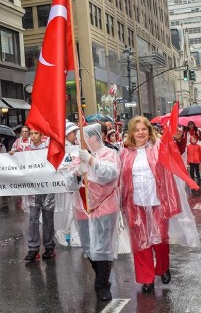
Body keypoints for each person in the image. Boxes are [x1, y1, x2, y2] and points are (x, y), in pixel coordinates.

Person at [119, 116, 183, 293]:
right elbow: (119, 178)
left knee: (160, 238)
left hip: (157, 202)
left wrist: (177, 139)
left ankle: (162, 267)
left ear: (149, 131)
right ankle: (146, 278)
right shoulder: (125, 153)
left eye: (144, 129)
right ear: (131, 133)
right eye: (136, 129)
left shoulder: (158, 148)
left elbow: (175, 156)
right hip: (135, 204)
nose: (140, 132)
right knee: (141, 242)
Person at [66, 123, 121, 301]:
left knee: (103, 247)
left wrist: (91, 161)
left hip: (104, 207)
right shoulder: (77, 158)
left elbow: (110, 174)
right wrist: (77, 172)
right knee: (90, 248)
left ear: (94, 138)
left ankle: (102, 284)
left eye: (83, 138)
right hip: (83, 208)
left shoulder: (109, 154)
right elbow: (69, 185)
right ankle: (101, 277)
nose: (79, 142)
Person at [20, 129, 56, 261]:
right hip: (33, 190)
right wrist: (12, 156)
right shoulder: (26, 150)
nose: (33, 136)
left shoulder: (48, 148)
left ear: (41, 135)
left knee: (48, 218)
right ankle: (33, 248)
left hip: (48, 187)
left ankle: (49, 247)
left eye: (35, 133)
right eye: (31, 134)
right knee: (33, 218)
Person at [55, 121, 80, 247]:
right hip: (63, 183)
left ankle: (75, 237)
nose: (75, 135)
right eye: (73, 132)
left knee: (74, 209)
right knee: (67, 209)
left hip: (73, 182)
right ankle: (61, 231)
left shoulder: (73, 145)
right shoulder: (61, 146)